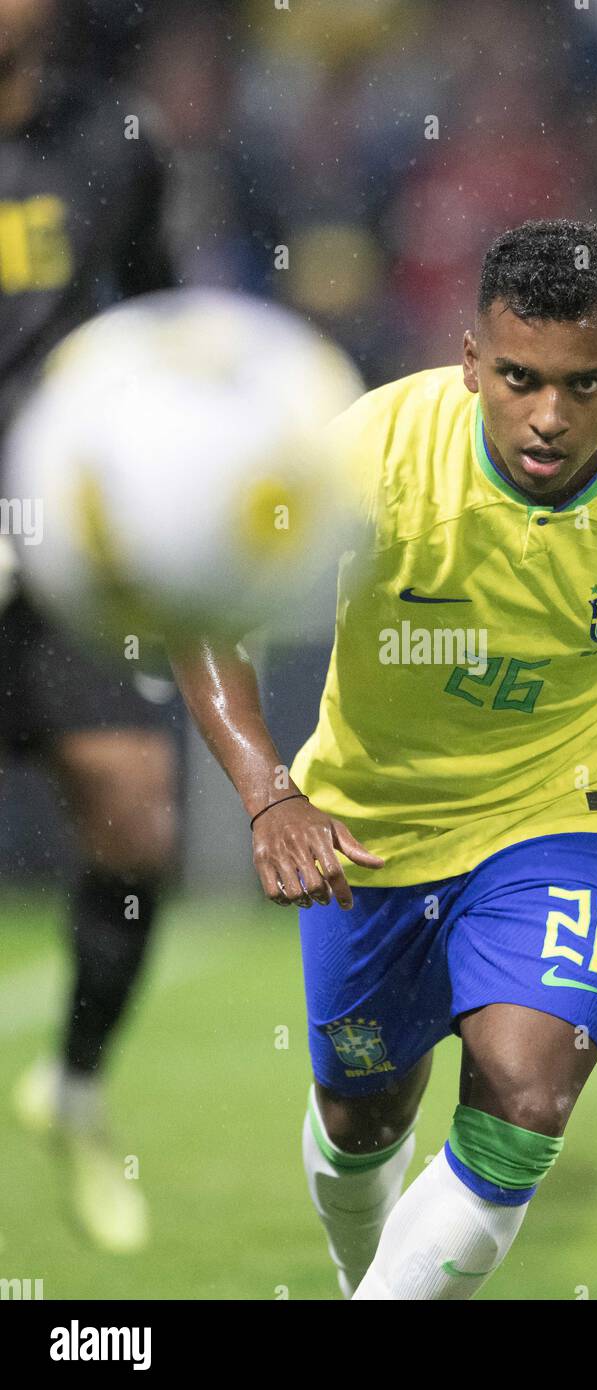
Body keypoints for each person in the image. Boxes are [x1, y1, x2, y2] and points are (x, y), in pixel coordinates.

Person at [168, 218, 597, 1300]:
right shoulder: (373, 452)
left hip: (564, 812)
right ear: (467, 360)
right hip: (371, 826)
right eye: (517, 377)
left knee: (526, 1100)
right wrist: (268, 795)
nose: (548, 417)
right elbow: (203, 600)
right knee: (363, 1117)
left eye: (584, 386)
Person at [0, 0, 179, 1253]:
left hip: (56, 551)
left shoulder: (115, 142)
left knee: (136, 810)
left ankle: (73, 1077)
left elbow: (161, 319)